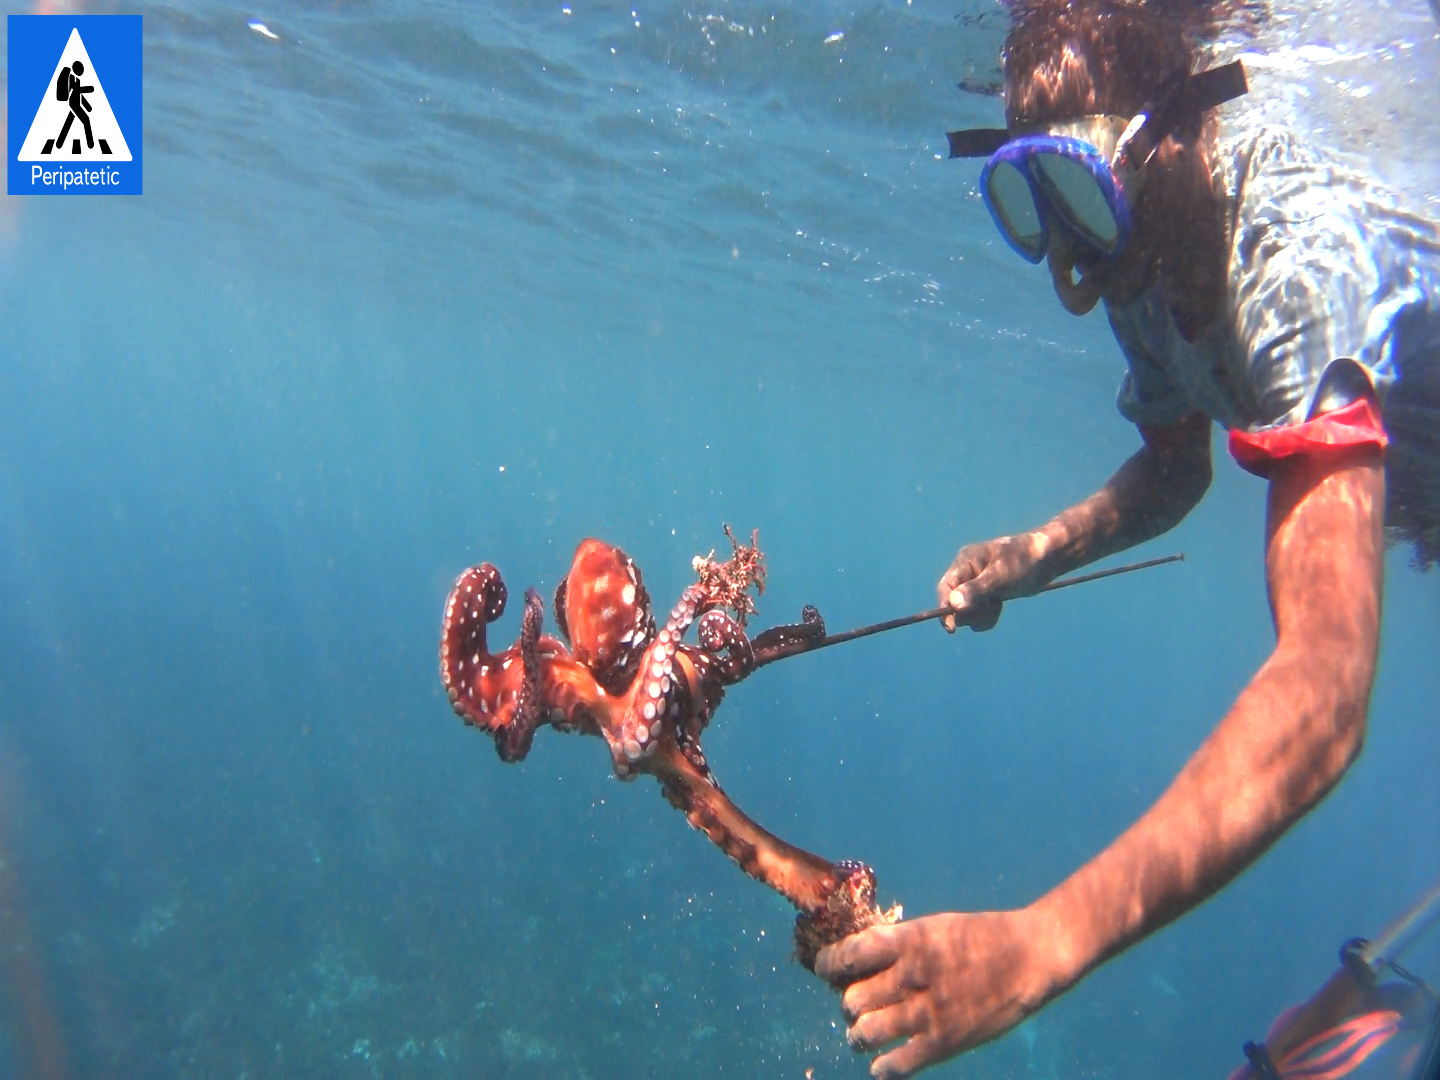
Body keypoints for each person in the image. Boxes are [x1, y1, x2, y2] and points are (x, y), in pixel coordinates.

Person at [814, 1, 1440, 1076]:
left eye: (1077, 198)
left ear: (1173, 142)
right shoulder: (1136, 249)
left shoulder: (1288, 267)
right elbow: (1175, 465)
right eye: (1030, 201)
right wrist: (1038, 552)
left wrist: (1043, 939)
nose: (1065, 273)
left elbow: (1325, 693)